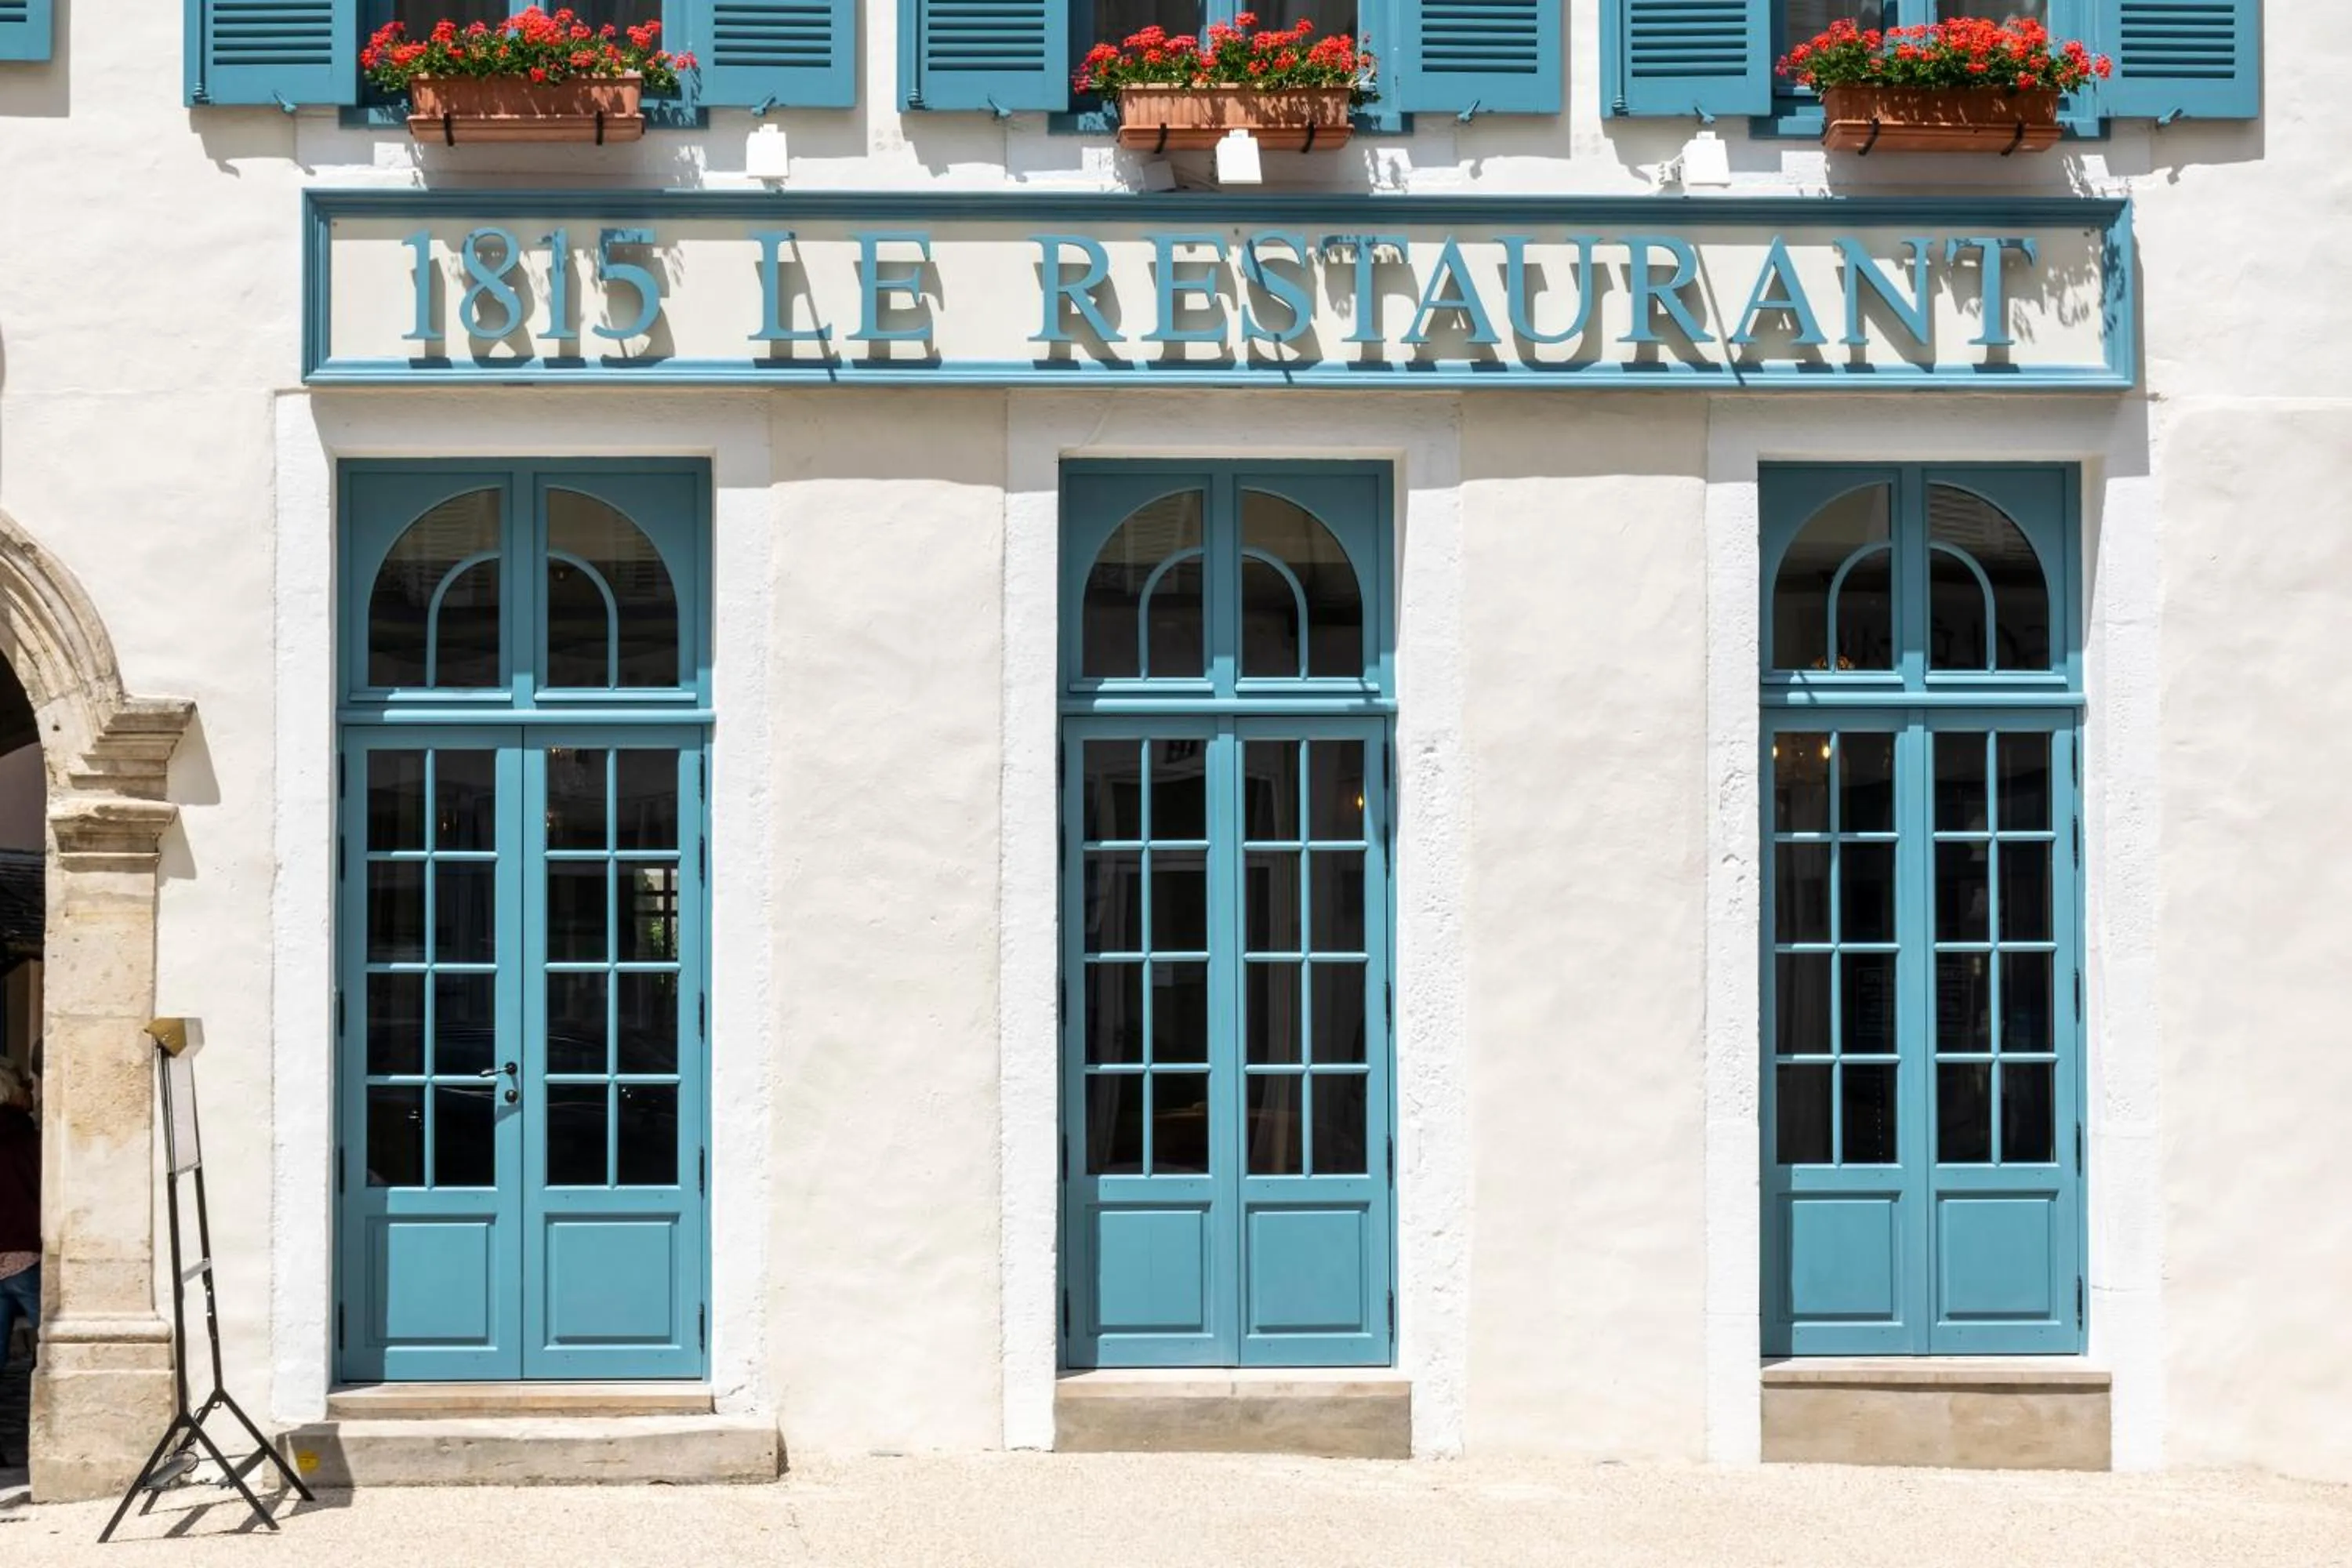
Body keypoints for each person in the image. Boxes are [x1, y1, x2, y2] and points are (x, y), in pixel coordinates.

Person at [0, 1058, 37, 1368]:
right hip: (25, 1254)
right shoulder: (27, 1139)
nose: (32, 1090)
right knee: (58, 1350)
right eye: (26, 1085)